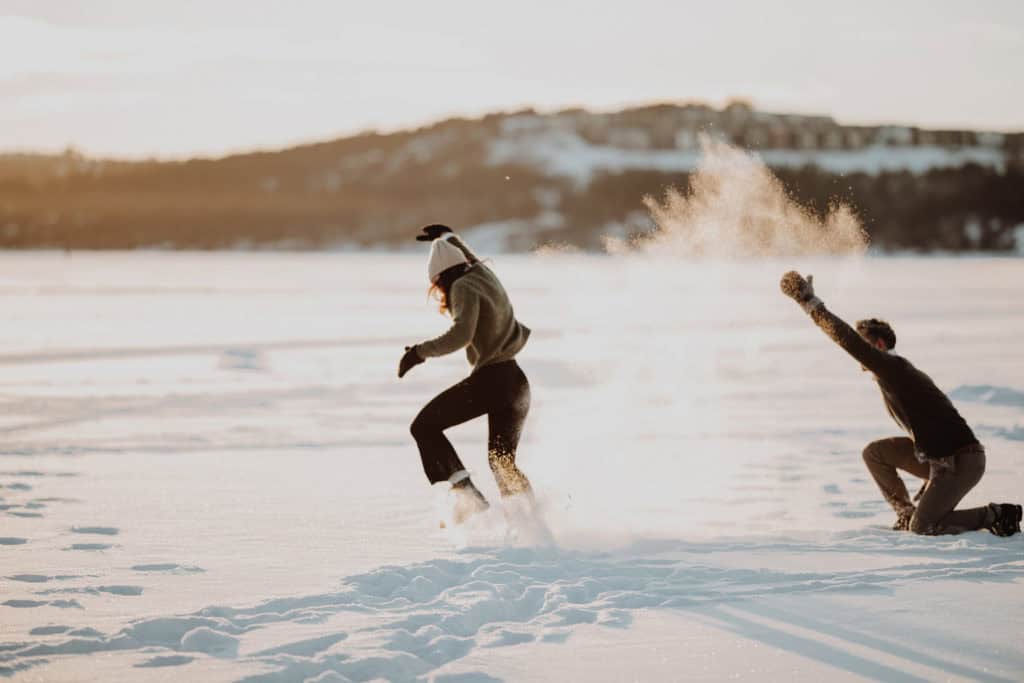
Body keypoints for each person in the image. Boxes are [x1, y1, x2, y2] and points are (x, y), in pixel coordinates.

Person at [780, 271, 1021, 536]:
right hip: (937, 457)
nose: (862, 353)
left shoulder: (894, 369)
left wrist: (811, 305)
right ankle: (906, 513)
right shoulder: (893, 373)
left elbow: (847, 340)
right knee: (875, 453)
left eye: (866, 346)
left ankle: (997, 514)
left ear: (879, 344)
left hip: (961, 460)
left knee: (925, 526)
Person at [398, 224, 534, 524]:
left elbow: (461, 334)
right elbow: (471, 259)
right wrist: (448, 237)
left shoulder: (462, 287)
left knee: (423, 427)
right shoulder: (484, 275)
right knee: (503, 464)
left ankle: (466, 495)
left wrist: (418, 352)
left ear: (440, 280)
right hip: (516, 383)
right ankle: (532, 523)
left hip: (493, 382)